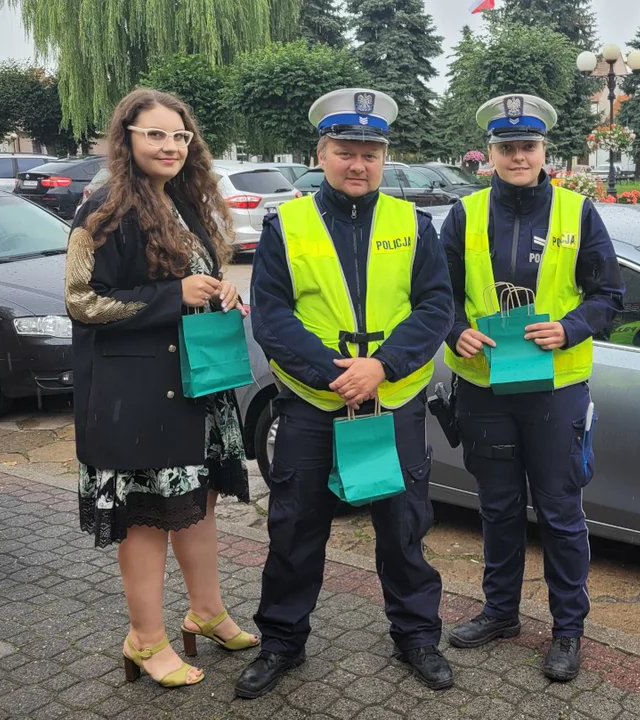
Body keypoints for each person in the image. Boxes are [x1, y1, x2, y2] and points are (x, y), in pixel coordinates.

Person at [237, 88, 455, 698]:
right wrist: (335, 374)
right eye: (344, 152)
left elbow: (436, 306)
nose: (357, 164)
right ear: (321, 154)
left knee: (403, 526)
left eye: (369, 153)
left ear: (383, 158)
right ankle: (282, 640)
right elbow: (273, 316)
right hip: (312, 405)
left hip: (391, 402)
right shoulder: (289, 224)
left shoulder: (413, 224)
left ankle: (416, 637)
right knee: (294, 527)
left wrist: (382, 367)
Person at [65, 88, 259, 689]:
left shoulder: (185, 202)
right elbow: (80, 302)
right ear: (126, 139)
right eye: (155, 134)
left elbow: (199, 278)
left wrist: (221, 291)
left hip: (195, 385)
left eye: (179, 135)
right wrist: (173, 298)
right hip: (134, 396)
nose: (171, 146)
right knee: (146, 519)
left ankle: (205, 611)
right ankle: (146, 639)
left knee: (197, 508)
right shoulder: (101, 210)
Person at [440, 94, 624, 681]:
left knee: (561, 512)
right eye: (506, 147)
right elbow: (434, 298)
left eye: (528, 146)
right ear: (488, 154)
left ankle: (568, 628)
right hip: (484, 387)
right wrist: (455, 332)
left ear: (545, 151)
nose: (518, 156)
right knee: (496, 510)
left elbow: (610, 298)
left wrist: (570, 328)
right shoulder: (464, 213)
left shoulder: (578, 212)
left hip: (554, 389)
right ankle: (501, 613)